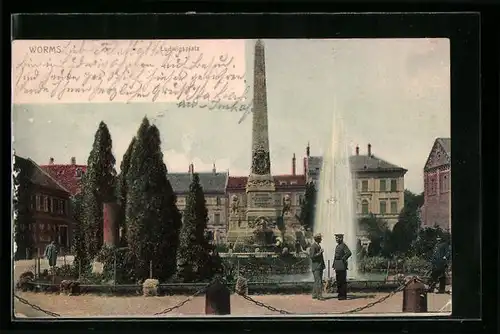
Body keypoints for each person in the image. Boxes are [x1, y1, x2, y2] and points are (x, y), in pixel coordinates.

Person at [333, 234, 352, 300]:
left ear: (341, 238)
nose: (336, 239)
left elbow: (349, 253)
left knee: (342, 281)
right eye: (336, 238)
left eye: (337, 238)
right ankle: (340, 294)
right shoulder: (337, 246)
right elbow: (335, 257)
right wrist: (334, 265)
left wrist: (343, 259)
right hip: (337, 265)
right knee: (338, 281)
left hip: (342, 265)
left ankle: (343, 295)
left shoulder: (344, 245)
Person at [309, 233, 326, 300]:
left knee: (317, 281)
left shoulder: (318, 245)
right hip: (316, 266)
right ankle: (319, 296)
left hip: (319, 266)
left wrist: (323, 265)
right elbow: (312, 256)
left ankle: (314, 294)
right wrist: (319, 253)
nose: (321, 239)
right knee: (318, 281)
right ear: (317, 239)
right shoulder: (313, 246)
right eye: (320, 238)